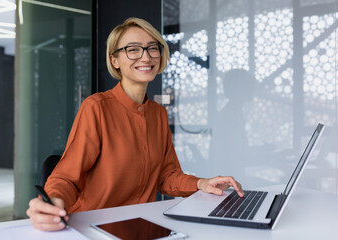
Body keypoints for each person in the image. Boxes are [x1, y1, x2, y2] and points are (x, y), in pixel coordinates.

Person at [26, 17, 244, 231]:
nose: (146, 56)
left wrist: (201, 183)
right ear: (115, 60)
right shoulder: (97, 108)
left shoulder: (158, 113)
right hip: (94, 227)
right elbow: (67, 176)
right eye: (133, 49)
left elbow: (167, 176)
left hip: (143, 225)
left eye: (152, 48)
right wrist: (51, 201)